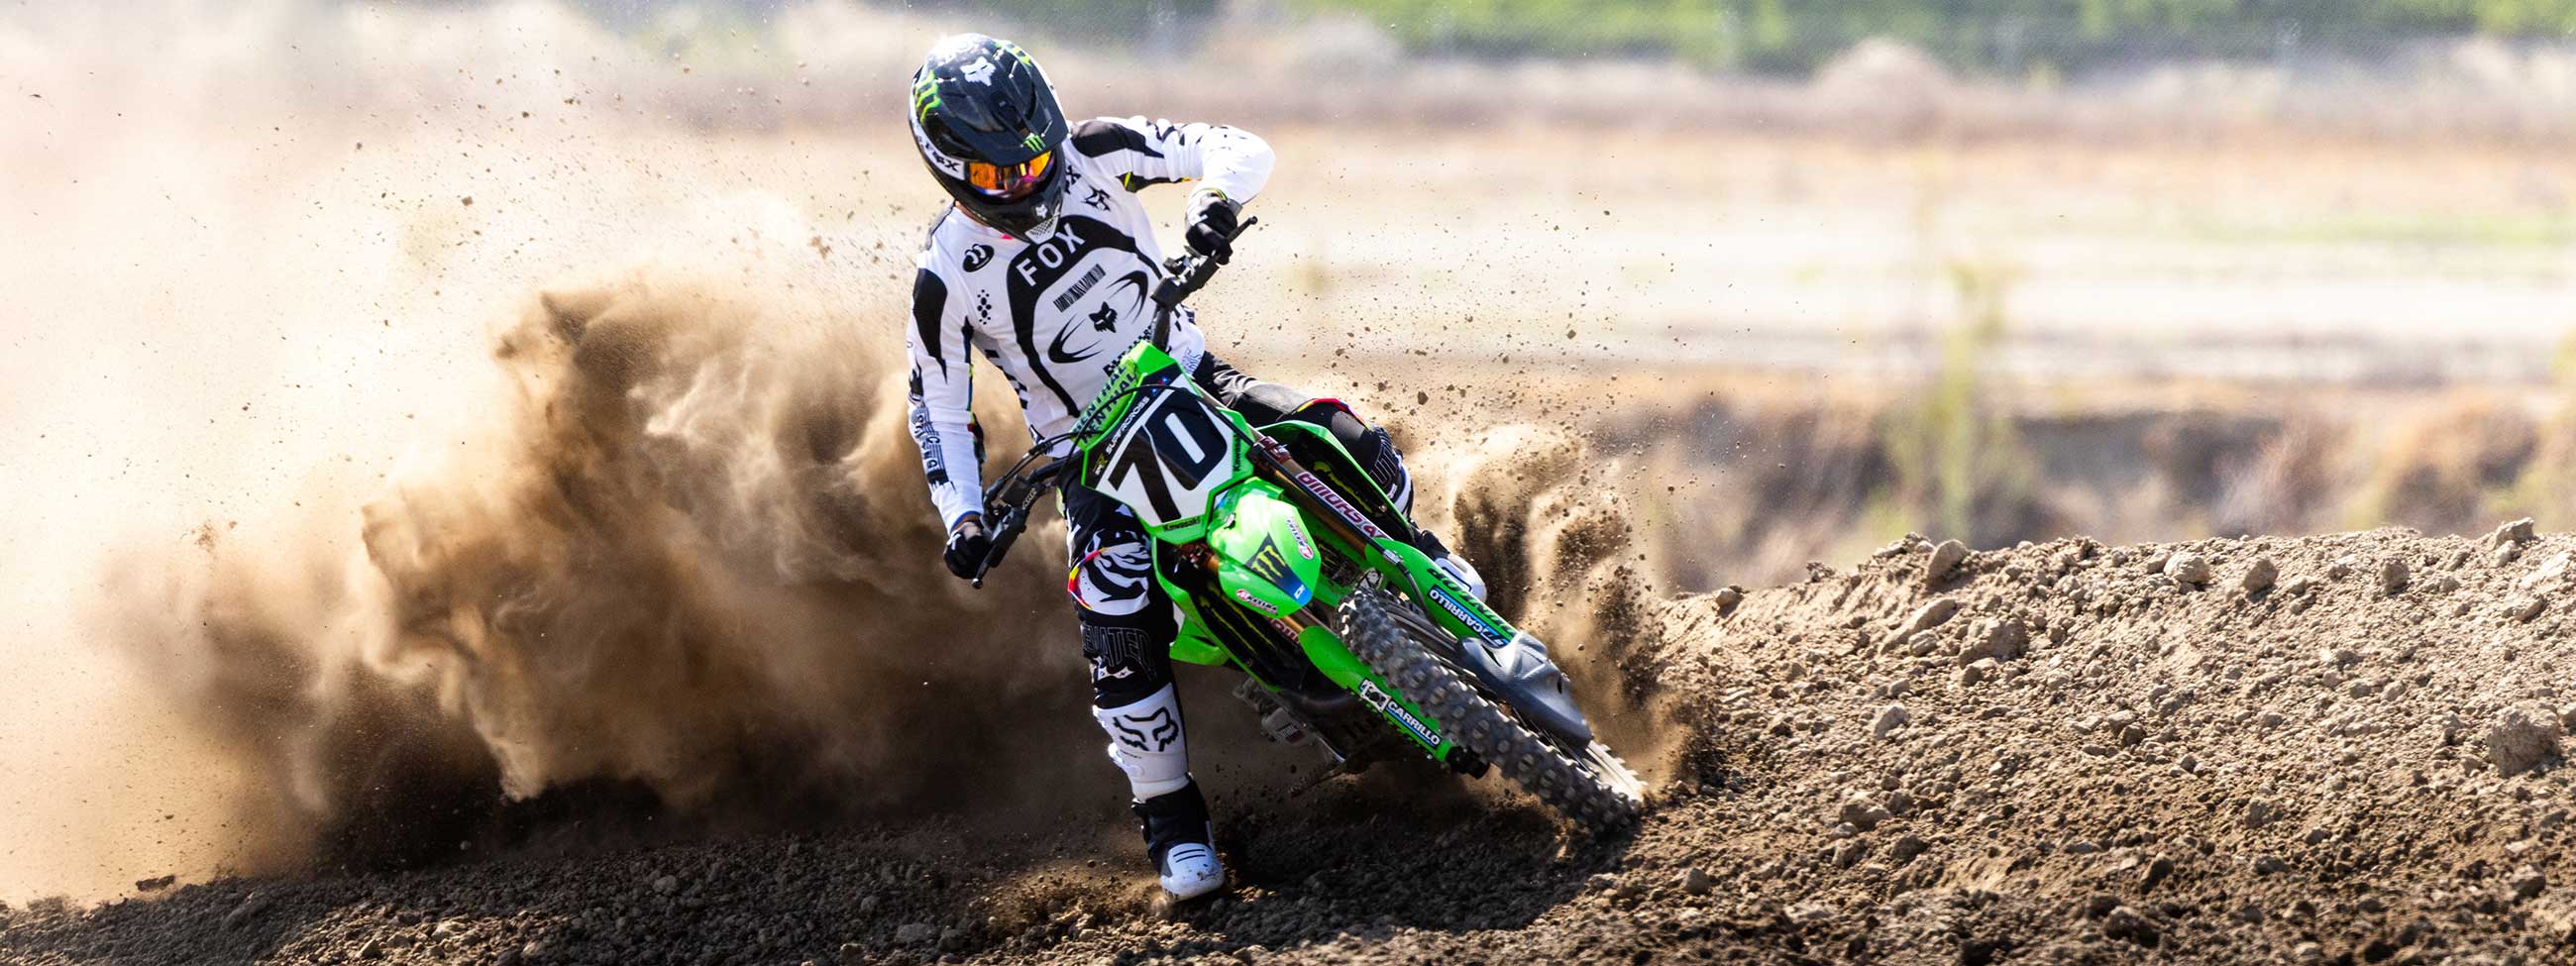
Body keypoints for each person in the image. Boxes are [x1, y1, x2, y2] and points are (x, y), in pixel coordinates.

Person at [900, 33, 1485, 902]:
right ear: (950, 168)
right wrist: (965, 518)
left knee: (1340, 434)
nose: (1026, 179)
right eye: (998, 173)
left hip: (1192, 376)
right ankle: (1172, 818)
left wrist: (1213, 204)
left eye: (1034, 157)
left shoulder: (1096, 150)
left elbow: (1238, 148)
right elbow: (939, 410)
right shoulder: (945, 274)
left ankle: (1429, 565)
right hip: (1091, 456)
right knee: (1111, 602)